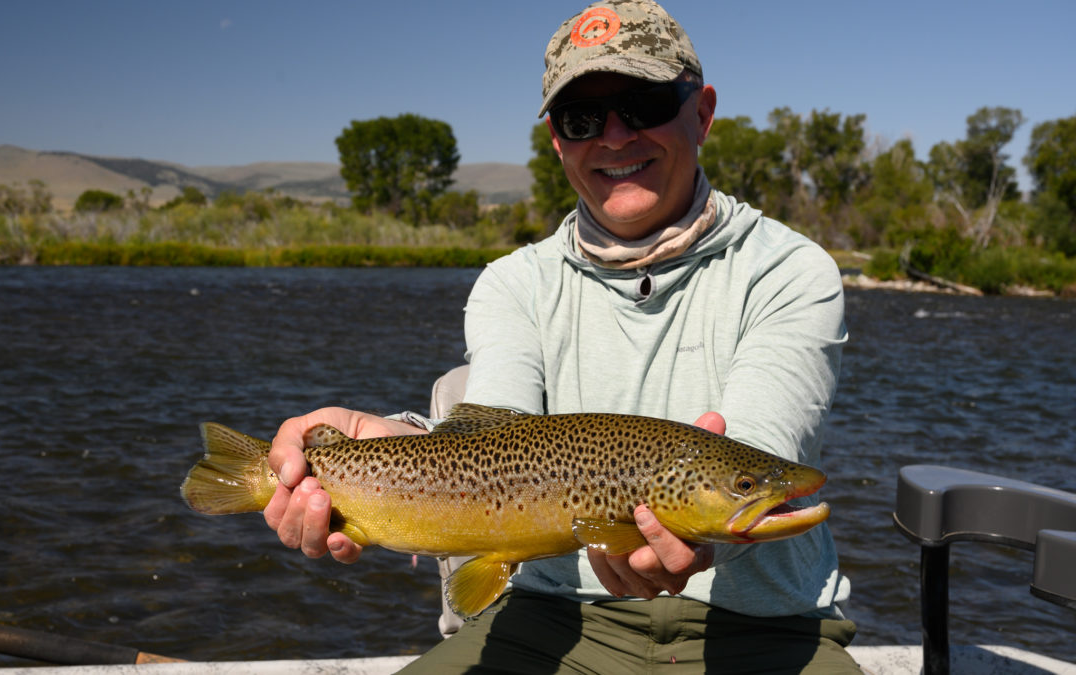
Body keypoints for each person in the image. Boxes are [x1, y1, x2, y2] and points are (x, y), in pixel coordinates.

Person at [265, 1, 860, 672]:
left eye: (643, 102)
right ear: (556, 140)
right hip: (550, 624)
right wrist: (380, 447)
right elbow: (488, 445)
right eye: (582, 119)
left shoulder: (788, 269)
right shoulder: (512, 283)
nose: (613, 137)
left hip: (762, 629)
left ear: (703, 112)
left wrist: (717, 521)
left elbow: (759, 457)